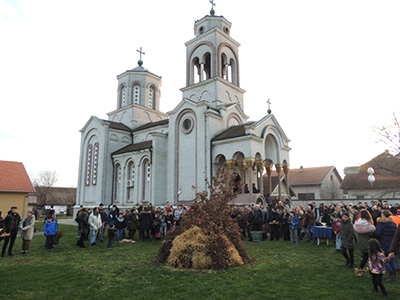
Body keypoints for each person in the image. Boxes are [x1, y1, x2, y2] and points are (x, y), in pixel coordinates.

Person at [375, 210, 397, 282]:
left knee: (384, 259)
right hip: (392, 242)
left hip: (383, 242)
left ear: (383, 215)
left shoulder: (381, 224)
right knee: (391, 258)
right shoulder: (393, 223)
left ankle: (391, 275)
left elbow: (378, 233)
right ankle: (394, 274)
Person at [354, 210, 376, 274]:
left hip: (361, 242)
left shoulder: (357, 224)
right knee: (370, 257)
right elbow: (371, 233)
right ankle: (371, 270)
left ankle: (361, 269)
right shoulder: (368, 225)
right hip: (368, 243)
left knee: (364, 257)